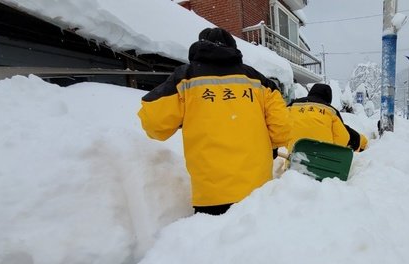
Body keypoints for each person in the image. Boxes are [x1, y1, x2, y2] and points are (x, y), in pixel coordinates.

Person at [138, 27, 290, 215]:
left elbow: (154, 123)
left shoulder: (184, 79)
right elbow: (282, 127)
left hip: (211, 194)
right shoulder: (259, 81)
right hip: (257, 191)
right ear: (234, 49)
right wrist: (273, 146)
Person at [286, 83, 368, 153]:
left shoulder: (292, 106)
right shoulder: (331, 111)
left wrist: (290, 144)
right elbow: (343, 137)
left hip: (294, 159)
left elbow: (279, 128)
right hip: (323, 161)